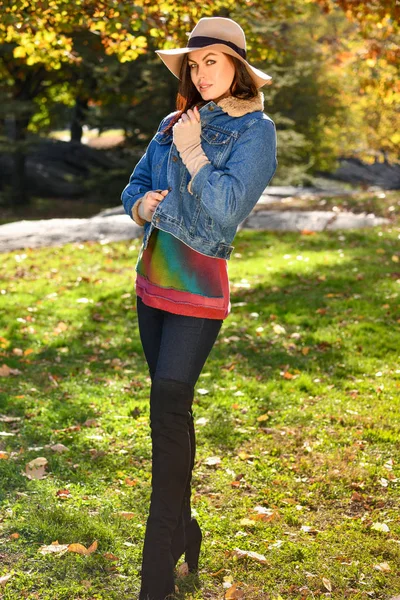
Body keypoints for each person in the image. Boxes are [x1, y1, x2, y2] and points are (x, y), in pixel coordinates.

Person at [121, 16, 278, 600]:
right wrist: (140, 208)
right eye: (194, 62)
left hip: (198, 292)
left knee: (170, 401)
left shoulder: (255, 131)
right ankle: (184, 528)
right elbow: (133, 185)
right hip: (152, 283)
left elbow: (226, 211)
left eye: (213, 60)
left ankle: (155, 565)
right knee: (169, 413)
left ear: (237, 66)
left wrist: (192, 155)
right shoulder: (171, 123)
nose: (201, 71)